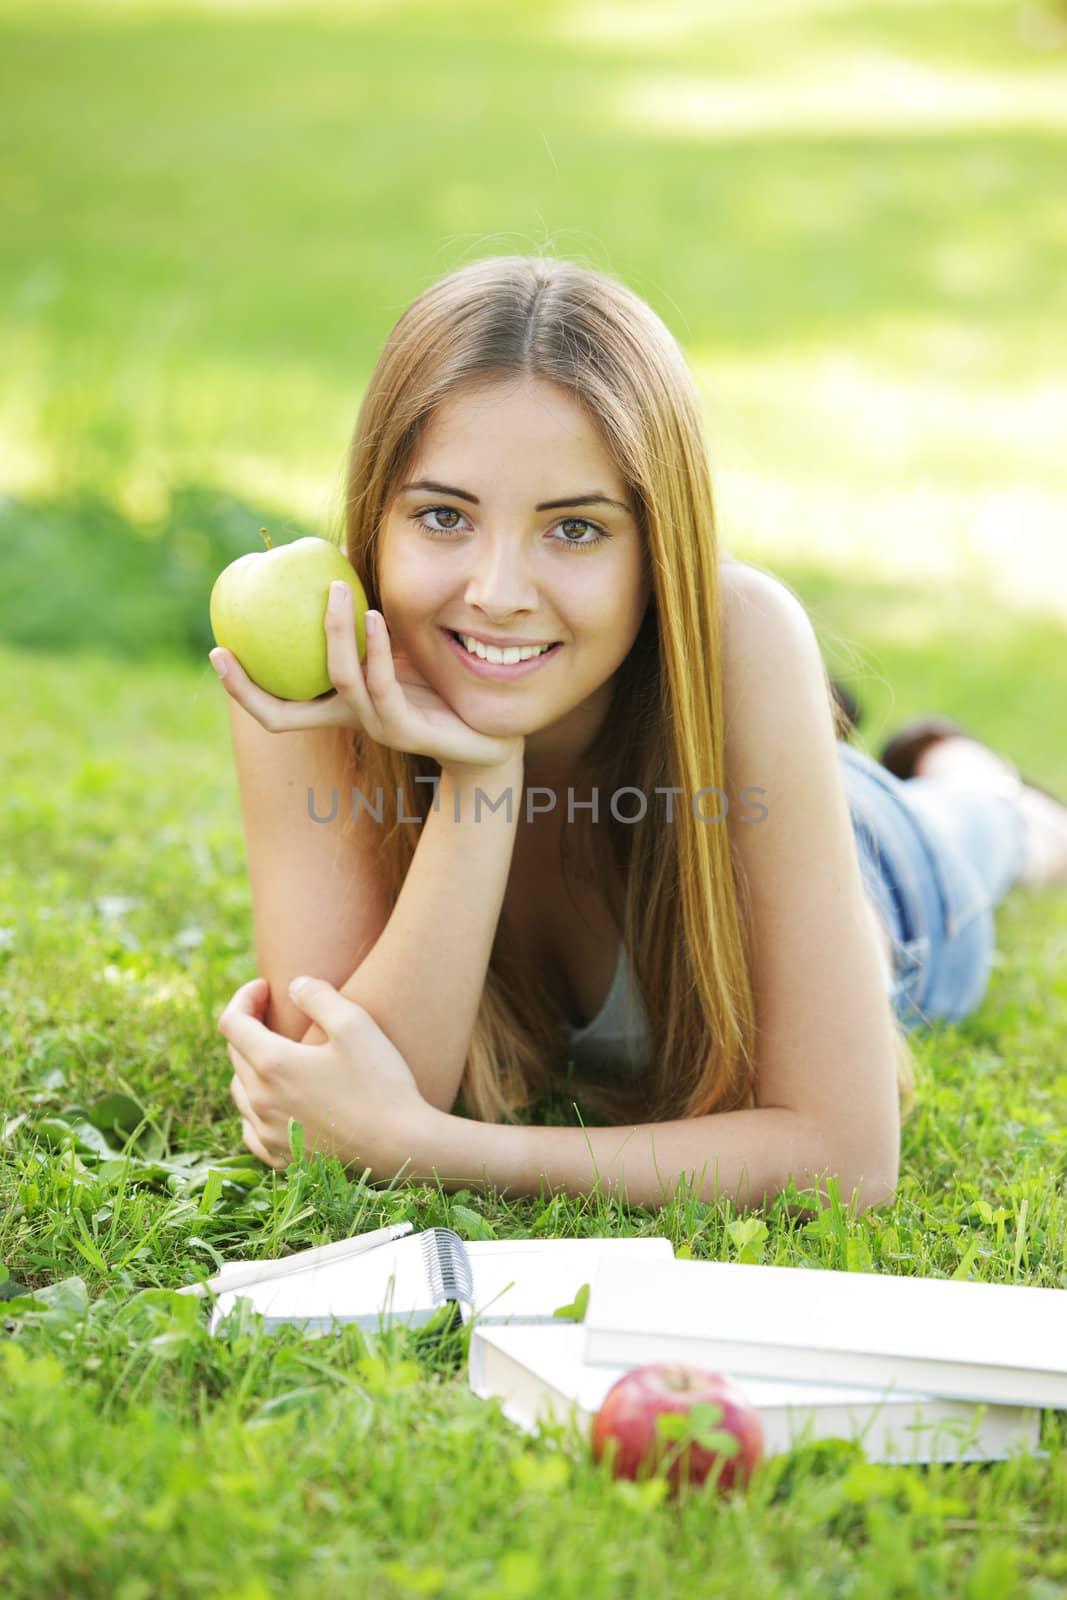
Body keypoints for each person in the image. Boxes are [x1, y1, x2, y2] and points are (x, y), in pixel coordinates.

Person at [210, 254, 1067, 1218]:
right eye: (443, 516)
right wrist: (479, 775)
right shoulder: (319, 654)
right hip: (662, 727)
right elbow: (341, 1095)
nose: (494, 592)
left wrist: (436, 1148)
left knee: (981, 831)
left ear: (657, 548)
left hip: (874, 865)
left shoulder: (740, 627)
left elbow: (846, 1158)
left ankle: (972, 776)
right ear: (377, 519)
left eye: (573, 530)